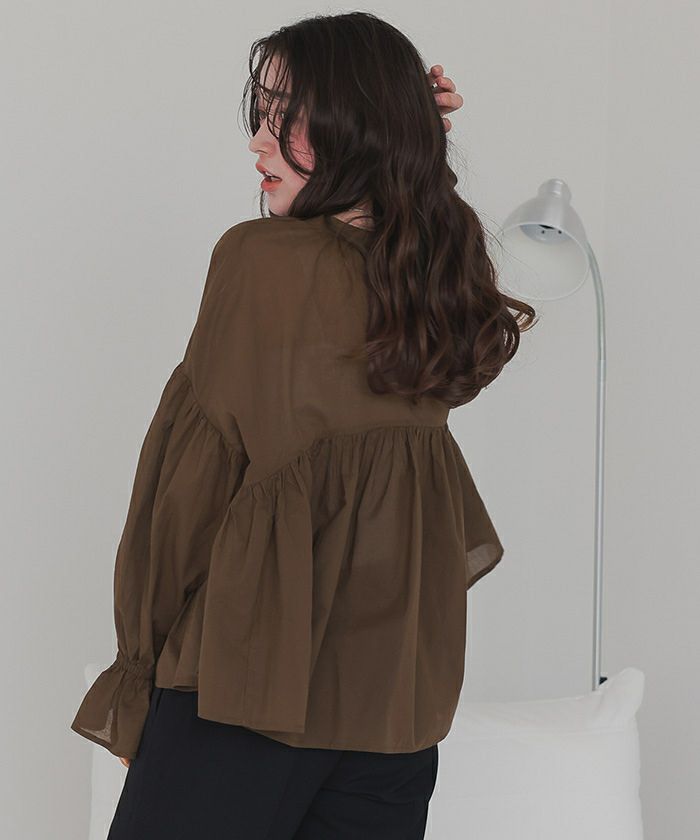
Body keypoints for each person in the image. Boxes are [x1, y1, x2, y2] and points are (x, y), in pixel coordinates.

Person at [70, 11, 537, 839]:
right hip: (393, 718)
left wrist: (139, 675)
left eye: (285, 115)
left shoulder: (260, 263)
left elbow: (185, 492)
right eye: (261, 112)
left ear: (355, 124)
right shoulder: (431, 281)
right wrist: (409, 143)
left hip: (244, 696)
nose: (258, 139)